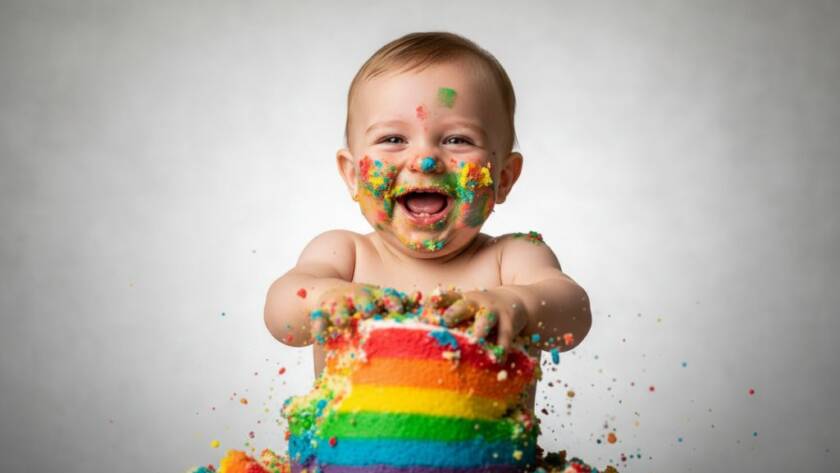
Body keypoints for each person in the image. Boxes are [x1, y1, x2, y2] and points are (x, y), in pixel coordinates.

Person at [264, 31, 591, 407]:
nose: (425, 160)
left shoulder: (513, 259)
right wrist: (323, 297)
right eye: (392, 139)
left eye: (457, 140)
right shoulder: (345, 255)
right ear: (353, 174)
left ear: (503, 177)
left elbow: (574, 312)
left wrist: (519, 303)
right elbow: (280, 315)